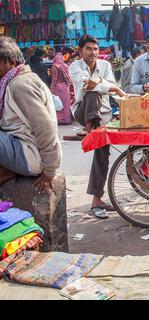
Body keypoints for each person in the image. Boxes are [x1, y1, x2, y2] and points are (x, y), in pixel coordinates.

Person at [69, 34, 126, 219]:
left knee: (102, 155)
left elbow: (110, 84)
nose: (93, 52)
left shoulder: (105, 65)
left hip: (105, 115)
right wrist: (109, 87)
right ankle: (90, 128)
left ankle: (97, 200)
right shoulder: (75, 66)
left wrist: (106, 85)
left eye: (95, 49)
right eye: (88, 49)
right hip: (82, 112)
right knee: (91, 93)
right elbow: (86, 84)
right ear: (80, 51)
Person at [0, 36, 61, 192]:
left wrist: (50, 170)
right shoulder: (13, 80)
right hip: (22, 149)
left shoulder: (19, 85)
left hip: (31, 155)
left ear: (11, 62)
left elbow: (45, 127)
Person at [50, 52, 72, 125]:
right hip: (65, 87)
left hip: (58, 87)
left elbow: (54, 79)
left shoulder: (55, 66)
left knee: (58, 103)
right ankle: (67, 120)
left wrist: (51, 90)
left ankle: (60, 120)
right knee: (66, 104)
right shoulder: (65, 66)